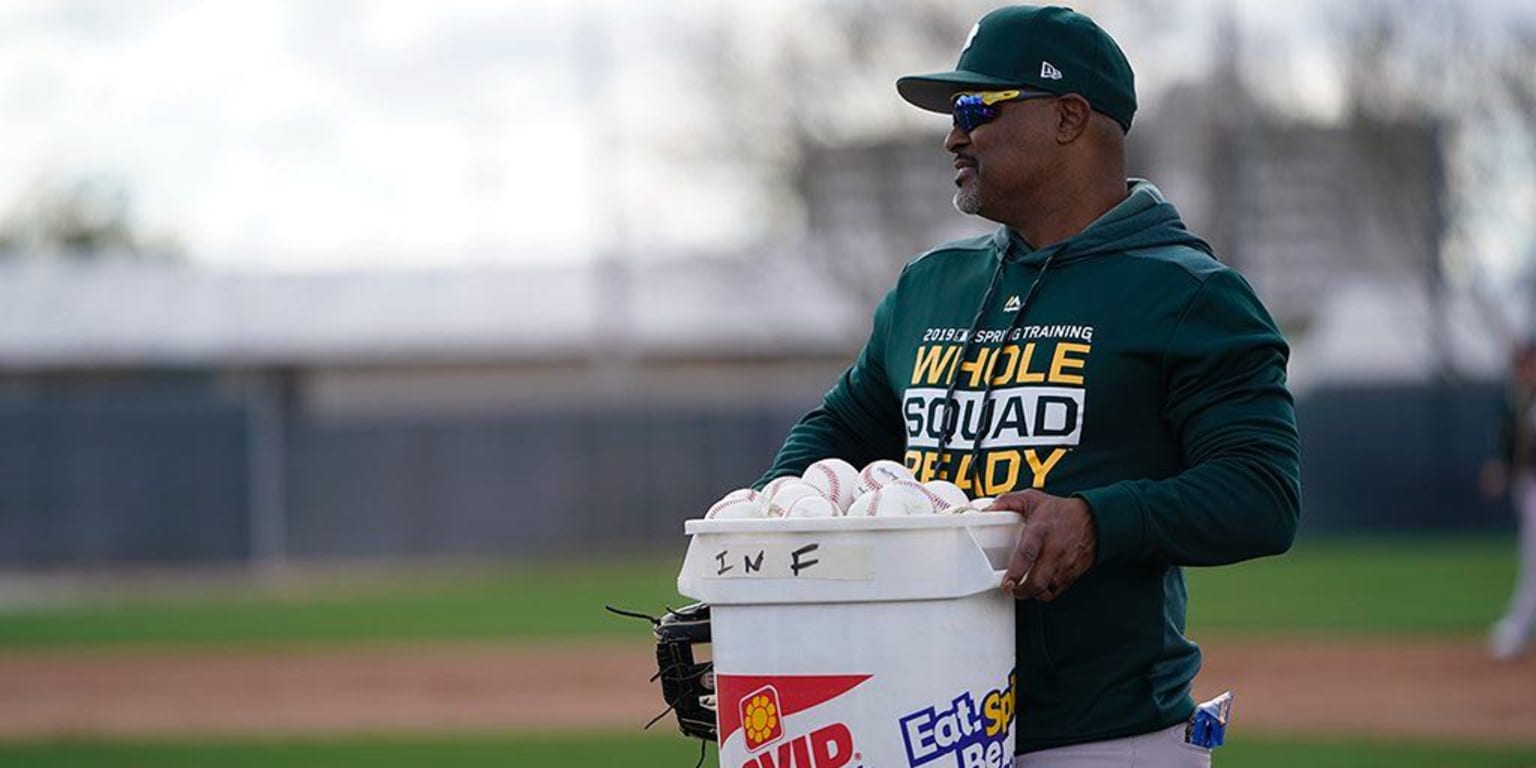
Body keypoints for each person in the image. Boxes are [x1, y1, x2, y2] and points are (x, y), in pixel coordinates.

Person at [756, 6, 1301, 766]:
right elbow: (839, 431)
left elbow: (1262, 495)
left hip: (1103, 737)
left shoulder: (1190, 295)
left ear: (1070, 118)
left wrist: (1096, 520)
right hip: (917, 719)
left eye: (977, 108)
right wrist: (765, 542)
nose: (954, 133)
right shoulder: (930, 286)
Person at [1481, 340, 1536, 660]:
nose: (1523, 370)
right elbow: (1513, 443)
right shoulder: (1517, 398)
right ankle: (1515, 631)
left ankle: (1515, 631)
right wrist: (1504, 466)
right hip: (1526, 484)